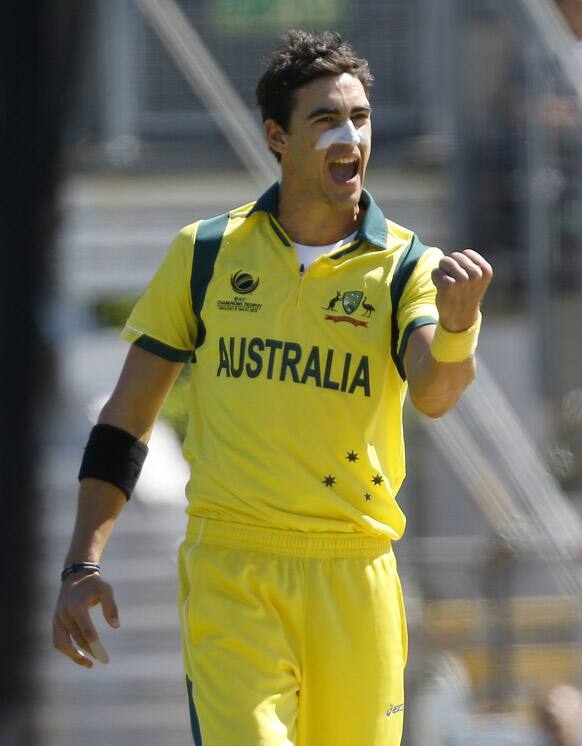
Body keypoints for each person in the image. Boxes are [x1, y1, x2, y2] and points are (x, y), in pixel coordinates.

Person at [52, 30, 492, 746]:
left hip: (356, 574)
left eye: (360, 118)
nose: (350, 136)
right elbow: (126, 419)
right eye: (325, 120)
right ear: (276, 137)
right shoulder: (205, 254)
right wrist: (82, 561)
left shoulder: (409, 264)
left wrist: (459, 326)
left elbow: (436, 393)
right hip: (235, 568)